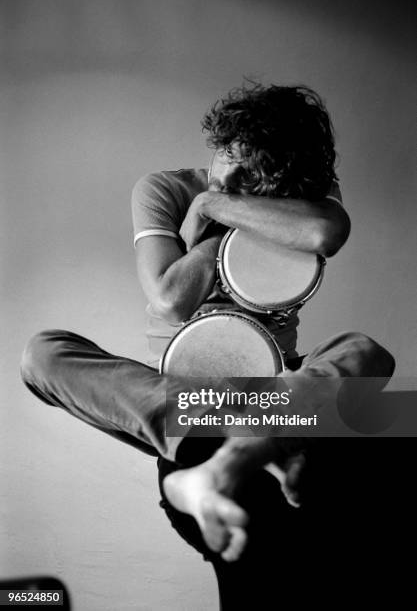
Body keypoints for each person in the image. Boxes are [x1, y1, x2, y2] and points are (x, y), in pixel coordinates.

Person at [21, 84, 396, 608]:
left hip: (272, 386)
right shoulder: (162, 189)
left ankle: (240, 455)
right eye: (227, 161)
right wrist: (214, 224)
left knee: (364, 350)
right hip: (177, 391)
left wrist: (217, 207)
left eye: (252, 176)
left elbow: (327, 231)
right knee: (43, 355)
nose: (230, 179)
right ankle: (264, 446)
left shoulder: (300, 193)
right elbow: (171, 298)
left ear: (286, 178)